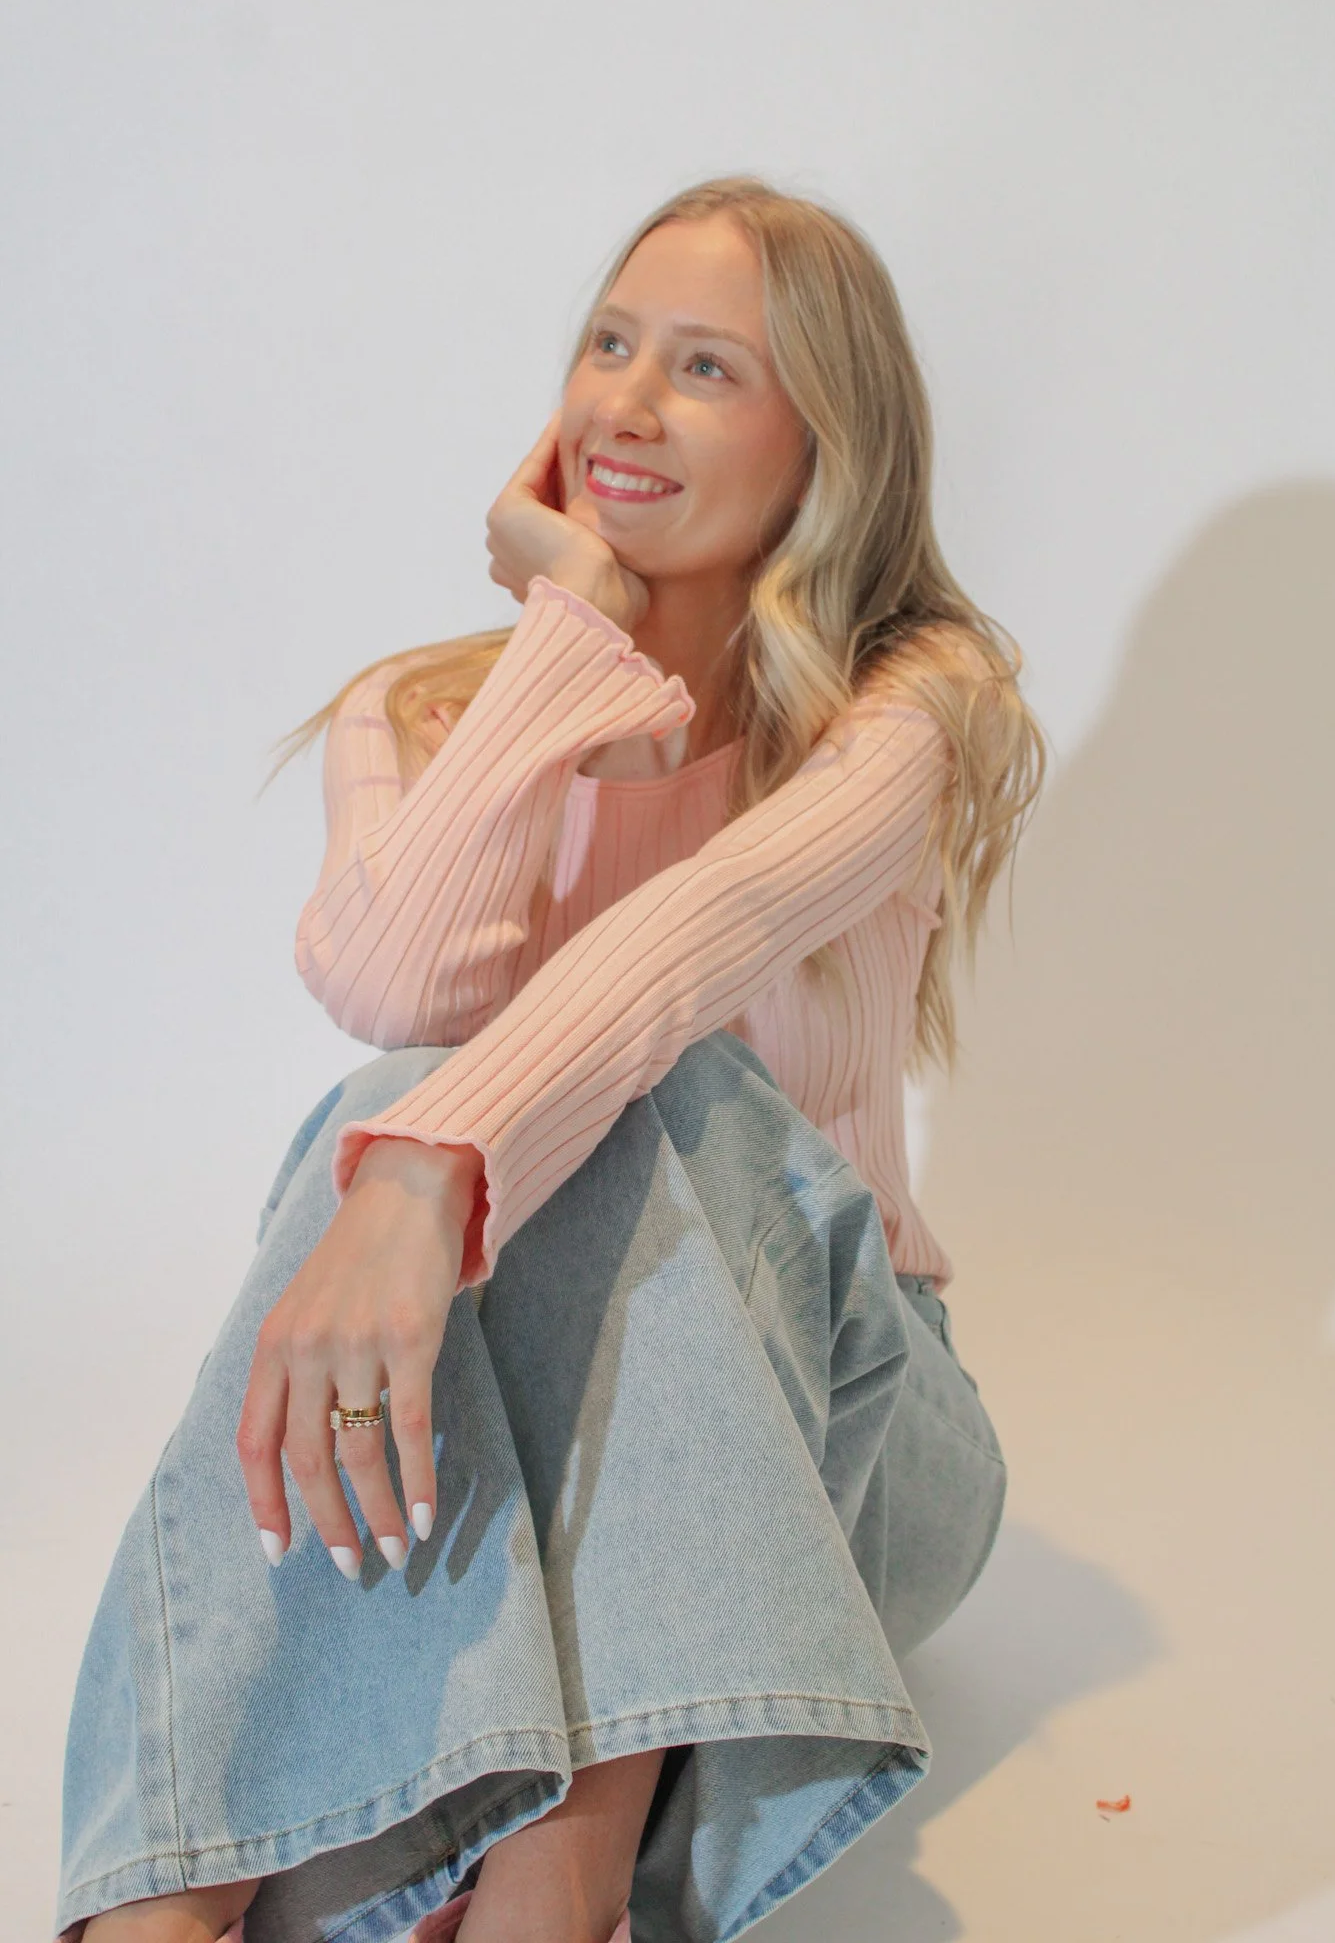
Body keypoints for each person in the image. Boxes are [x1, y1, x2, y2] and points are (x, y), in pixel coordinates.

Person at [54, 174, 1046, 1943]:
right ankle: (184, 1903)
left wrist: (425, 1175)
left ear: (830, 442)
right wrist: (562, 648)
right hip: (552, 1447)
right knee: (390, 1097)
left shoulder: (914, 698)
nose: (627, 405)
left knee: (650, 1092)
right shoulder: (428, 706)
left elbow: (693, 949)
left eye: (708, 367)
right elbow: (394, 987)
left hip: (856, 1437)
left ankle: (548, 1879)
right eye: (609, 345)